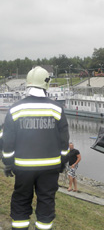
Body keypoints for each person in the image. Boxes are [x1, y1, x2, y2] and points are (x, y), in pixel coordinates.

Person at [1, 66, 69, 230]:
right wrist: (63, 162)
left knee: (21, 200)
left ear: (28, 83)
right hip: (50, 167)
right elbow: (64, 141)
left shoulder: (15, 109)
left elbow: (7, 140)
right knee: (46, 201)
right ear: (46, 83)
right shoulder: (57, 109)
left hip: (23, 167)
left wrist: (8, 162)